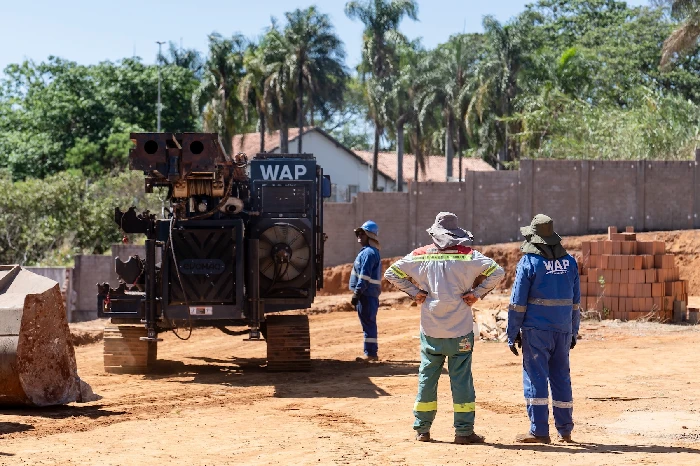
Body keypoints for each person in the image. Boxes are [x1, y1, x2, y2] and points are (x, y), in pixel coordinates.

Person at [384, 212, 504, 444]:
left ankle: (422, 429)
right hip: (460, 330)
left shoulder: (420, 255)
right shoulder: (469, 256)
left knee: (427, 377)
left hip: (431, 330)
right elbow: (497, 272)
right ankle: (463, 432)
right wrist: (476, 294)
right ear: (456, 235)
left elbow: (392, 273)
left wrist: (415, 292)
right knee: (461, 380)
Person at [507, 214, 581, 444]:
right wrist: (573, 330)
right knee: (561, 377)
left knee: (536, 378)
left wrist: (511, 333)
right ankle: (565, 430)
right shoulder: (570, 262)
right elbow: (576, 302)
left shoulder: (529, 263)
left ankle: (539, 431)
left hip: (536, 331)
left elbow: (517, 303)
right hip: (562, 329)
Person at [349, 220, 382, 362]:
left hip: (366, 294)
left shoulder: (369, 253)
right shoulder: (368, 252)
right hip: (367, 294)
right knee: (368, 323)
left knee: (368, 323)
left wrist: (357, 293)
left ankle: (370, 354)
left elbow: (364, 276)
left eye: (362, 233)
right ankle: (370, 352)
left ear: (370, 235)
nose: (359, 235)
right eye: (358, 233)